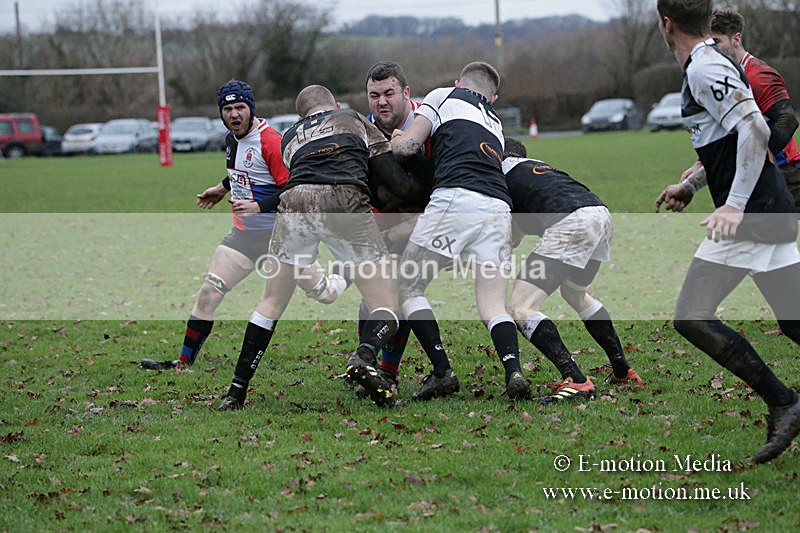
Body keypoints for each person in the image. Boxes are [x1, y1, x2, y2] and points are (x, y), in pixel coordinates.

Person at [218, 84, 426, 410]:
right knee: (387, 303)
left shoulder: (289, 136)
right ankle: (365, 355)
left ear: (302, 116)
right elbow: (395, 184)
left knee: (270, 303)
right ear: (336, 104)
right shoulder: (352, 119)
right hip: (344, 199)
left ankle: (236, 390)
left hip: (294, 204)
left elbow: (303, 173)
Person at [654, 0, 800, 464]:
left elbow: (756, 129)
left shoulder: (702, 67)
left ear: (666, 23)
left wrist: (734, 204)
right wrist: (692, 184)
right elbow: (729, 139)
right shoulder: (708, 63)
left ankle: (784, 401)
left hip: (752, 213)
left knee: (691, 316)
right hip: (767, 207)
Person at [140, 80, 343, 372]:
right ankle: (183, 363)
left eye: (240, 108)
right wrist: (223, 187)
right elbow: (243, 170)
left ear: (251, 108)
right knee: (209, 293)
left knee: (326, 295)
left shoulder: (270, 141)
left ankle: (344, 274)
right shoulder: (230, 138)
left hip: (282, 238)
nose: (234, 114)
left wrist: (259, 206)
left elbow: (295, 189)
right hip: (245, 237)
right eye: (227, 109)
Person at [391, 61, 530, 401]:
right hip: (499, 208)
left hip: (456, 198)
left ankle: (442, 372)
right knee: (493, 305)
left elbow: (409, 149)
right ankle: (514, 372)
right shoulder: (494, 123)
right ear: (493, 98)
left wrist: (396, 140)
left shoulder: (443, 96)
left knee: (408, 284)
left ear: (458, 82)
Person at [502, 138, 643, 403]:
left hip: (572, 221)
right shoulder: (534, 167)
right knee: (576, 295)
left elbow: (512, 235)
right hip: (600, 214)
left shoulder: (500, 177)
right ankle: (622, 370)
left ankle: (576, 380)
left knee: (520, 309)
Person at [351, 61, 432, 394]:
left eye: (389, 93)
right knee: (372, 302)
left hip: (424, 223)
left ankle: (383, 370)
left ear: (406, 93)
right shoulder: (363, 131)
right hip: (380, 227)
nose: (382, 102)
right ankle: (371, 366)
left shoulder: (427, 123)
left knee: (398, 294)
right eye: (374, 95)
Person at [676, 9, 800, 210]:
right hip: (753, 171)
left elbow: (787, 120)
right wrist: (700, 165)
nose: (712, 49)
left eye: (717, 42)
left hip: (785, 171)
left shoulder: (758, 74)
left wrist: (760, 155)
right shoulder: (719, 75)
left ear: (736, 39)